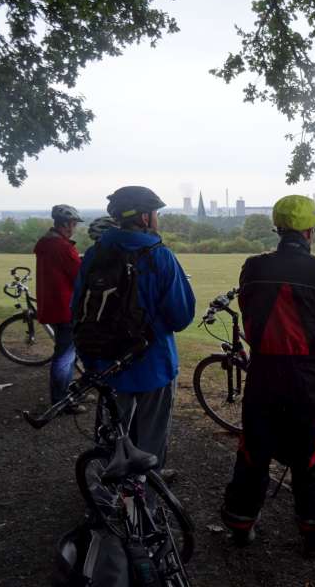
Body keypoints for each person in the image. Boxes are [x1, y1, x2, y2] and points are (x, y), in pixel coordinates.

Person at [221, 195, 315, 558]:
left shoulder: (253, 267)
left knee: (254, 447)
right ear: (309, 231)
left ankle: (241, 521)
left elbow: (247, 307)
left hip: (264, 370)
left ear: (278, 229)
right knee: (310, 450)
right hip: (305, 372)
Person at [72, 186, 195, 475]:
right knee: (151, 440)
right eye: (154, 213)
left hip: (104, 362)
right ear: (144, 217)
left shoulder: (93, 254)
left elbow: (77, 307)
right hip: (154, 363)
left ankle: (103, 501)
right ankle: (145, 506)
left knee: (111, 437)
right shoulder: (159, 255)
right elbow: (181, 316)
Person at [34, 204, 84, 412]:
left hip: (51, 304)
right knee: (65, 355)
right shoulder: (63, 247)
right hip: (65, 307)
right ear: (65, 224)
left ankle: (67, 392)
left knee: (68, 351)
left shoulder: (45, 244)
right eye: (73, 224)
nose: (74, 228)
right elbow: (79, 276)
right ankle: (61, 401)